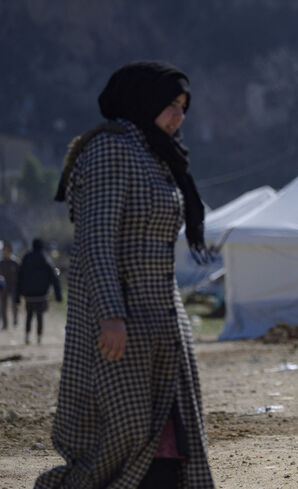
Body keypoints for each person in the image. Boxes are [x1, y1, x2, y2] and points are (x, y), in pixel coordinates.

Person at [36, 61, 214, 488]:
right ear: (143, 102)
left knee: (175, 432)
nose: (179, 116)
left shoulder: (156, 154)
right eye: (170, 105)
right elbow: (96, 240)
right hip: (122, 320)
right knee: (126, 431)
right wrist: (111, 315)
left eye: (184, 107)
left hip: (163, 318)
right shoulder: (111, 150)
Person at [14, 238, 62, 344]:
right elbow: (54, 277)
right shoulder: (45, 258)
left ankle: (27, 336)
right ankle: (39, 337)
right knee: (40, 316)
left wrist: (17, 296)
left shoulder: (26, 258)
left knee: (29, 315)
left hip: (28, 294)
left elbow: (19, 277)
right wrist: (58, 295)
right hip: (41, 294)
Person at [0, 242, 20, 330]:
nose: (5, 252)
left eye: (7, 250)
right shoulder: (1, 262)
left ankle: (15, 322)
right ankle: (5, 324)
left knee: (14, 305)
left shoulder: (15, 262)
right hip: (3, 287)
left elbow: (20, 275)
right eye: (4, 250)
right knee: (3, 306)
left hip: (14, 286)